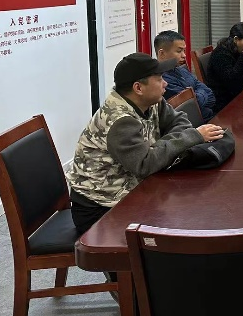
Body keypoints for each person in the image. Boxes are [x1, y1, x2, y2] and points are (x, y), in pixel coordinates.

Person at [67, 53, 224, 234]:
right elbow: (145, 165)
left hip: (132, 189)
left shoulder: (151, 101)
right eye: (159, 79)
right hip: (101, 206)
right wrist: (192, 137)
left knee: (192, 210)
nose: (165, 84)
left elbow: (180, 121)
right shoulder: (119, 120)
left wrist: (158, 149)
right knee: (181, 225)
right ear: (138, 88)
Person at [154, 30, 216, 121]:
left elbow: (210, 95)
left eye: (184, 51)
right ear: (162, 53)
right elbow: (192, 107)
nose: (184, 55)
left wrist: (196, 95)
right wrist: (199, 93)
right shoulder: (163, 81)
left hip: (209, 116)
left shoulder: (180, 69)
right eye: (179, 51)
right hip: (196, 124)